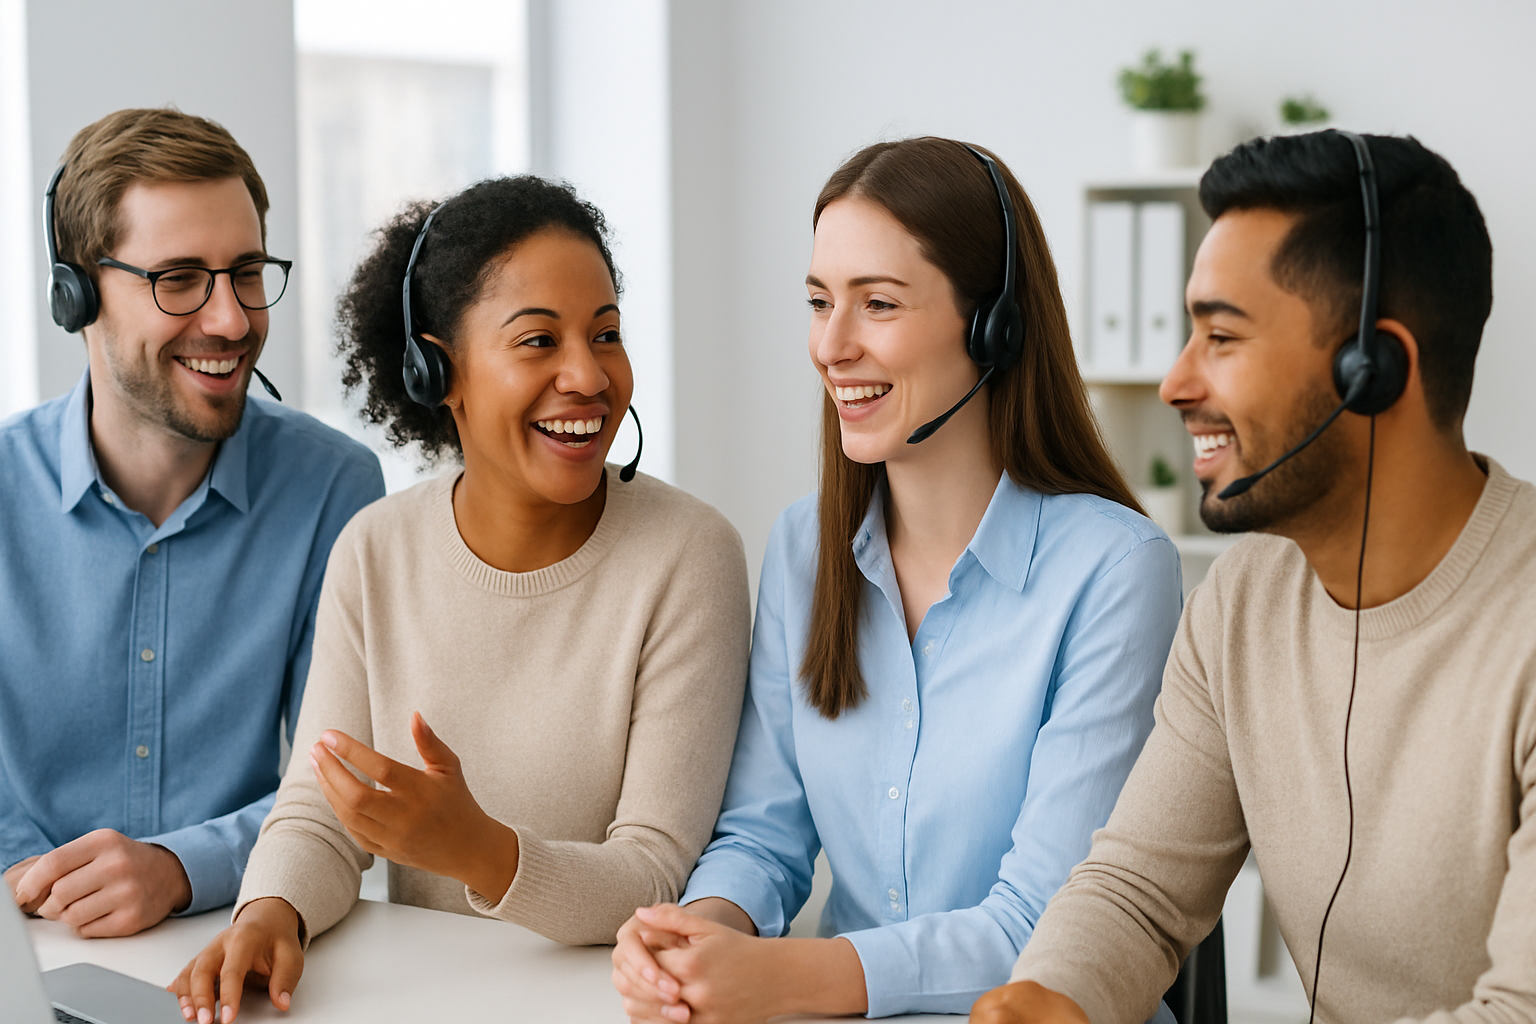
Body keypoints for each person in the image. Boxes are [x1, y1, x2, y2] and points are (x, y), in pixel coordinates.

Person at [610, 137, 1183, 1022]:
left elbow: (1046, 923)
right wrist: (696, 934)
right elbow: (764, 833)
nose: (831, 346)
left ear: (994, 325)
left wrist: (785, 977)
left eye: (877, 303)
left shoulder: (1115, 569)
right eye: (817, 302)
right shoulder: (807, 545)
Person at [972, 132, 1536, 1024]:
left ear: (1371, 370)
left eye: (1220, 336)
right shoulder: (1241, 605)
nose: (1174, 381)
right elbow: (1139, 891)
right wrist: (1045, 1001)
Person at [172, 175, 752, 1023]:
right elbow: (317, 812)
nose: (588, 376)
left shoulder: (689, 555)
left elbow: (654, 872)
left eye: (606, 334)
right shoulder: (375, 548)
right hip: (420, 1001)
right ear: (436, 369)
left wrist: (477, 850)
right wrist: (270, 914)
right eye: (538, 341)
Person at [0, 108, 383, 937]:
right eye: (179, 278)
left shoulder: (334, 488)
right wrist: (32, 874)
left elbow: (348, 786)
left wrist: (179, 869)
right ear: (76, 292)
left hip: (235, 937)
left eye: (246, 272)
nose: (232, 320)